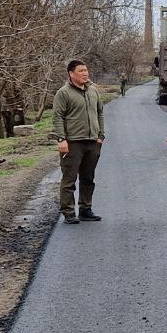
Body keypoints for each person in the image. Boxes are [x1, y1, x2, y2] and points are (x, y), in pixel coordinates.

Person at [51, 59, 104, 225]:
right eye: (81, 71)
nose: (85, 73)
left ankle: (85, 209)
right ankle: (68, 212)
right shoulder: (63, 93)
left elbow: (100, 112)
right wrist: (61, 139)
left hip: (92, 142)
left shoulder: (93, 91)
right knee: (69, 179)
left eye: (86, 70)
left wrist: (101, 135)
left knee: (88, 178)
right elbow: (57, 117)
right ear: (71, 74)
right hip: (72, 143)